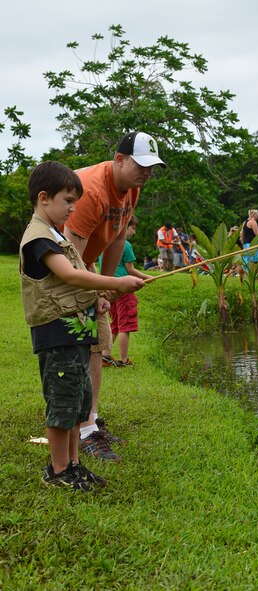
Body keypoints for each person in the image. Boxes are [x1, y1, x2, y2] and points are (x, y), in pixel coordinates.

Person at [19, 161, 144, 491]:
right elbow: (70, 274)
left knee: (78, 400)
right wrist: (114, 284)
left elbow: (78, 279)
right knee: (62, 402)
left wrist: (98, 298)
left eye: (76, 201)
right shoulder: (38, 238)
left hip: (78, 328)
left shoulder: (58, 235)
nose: (74, 208)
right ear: (44, 198)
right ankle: (58, 470)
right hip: (57, 333)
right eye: (68, 201)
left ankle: (74, 464)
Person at [64, 131, 166, 462]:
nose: (147, 173)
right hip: (60, 267)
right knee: (77, 343)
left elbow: (118, 236)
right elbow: (69, 255)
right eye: (141, 165)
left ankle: (90, 419)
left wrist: (107, 283)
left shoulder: (131, 188)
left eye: (152, 167)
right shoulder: (90, 191)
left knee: (96, 343)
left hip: (86, 264)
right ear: (119, 160)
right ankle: (81, 426)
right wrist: (97, 289)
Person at [101, 215, 152, 367]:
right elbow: (131, 270)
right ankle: (123, 360)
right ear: (125, 226)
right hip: (124, 288)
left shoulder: (105, 243)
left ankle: (105, 355)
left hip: (109, 287)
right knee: (126, 325)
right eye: (132, 228)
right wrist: (148, 277)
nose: (133, 232)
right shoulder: (125, 245)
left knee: (115, 323)